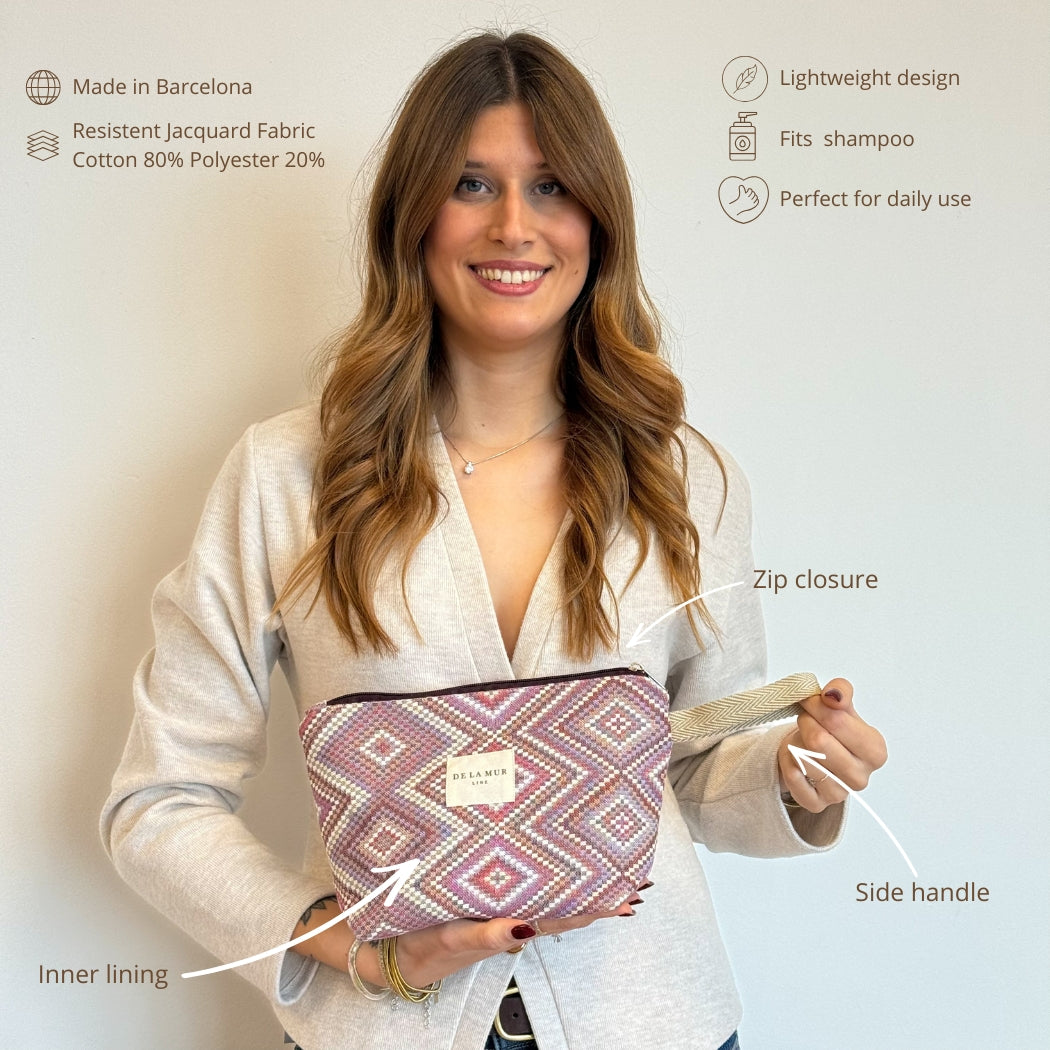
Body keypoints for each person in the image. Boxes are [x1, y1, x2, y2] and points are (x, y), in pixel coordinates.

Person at [101, 30, 886, 1050]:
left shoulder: (688, 478)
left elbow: (697, 766)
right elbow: (158, 801)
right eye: (472, 184)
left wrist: (794, 774)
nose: (515, 225)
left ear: (598, 222)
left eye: (552, 187)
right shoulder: (285, 478)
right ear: (413, 217)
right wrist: (357, 948)